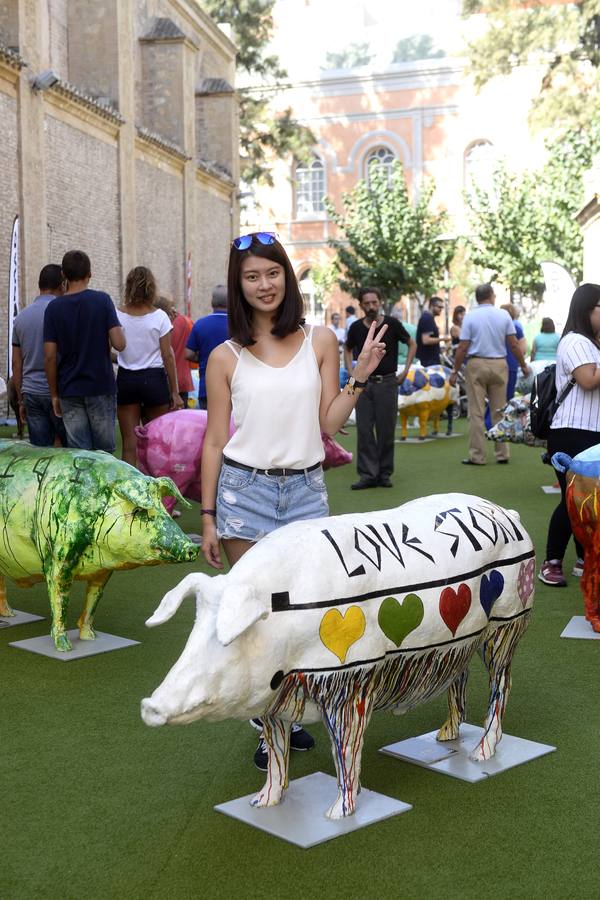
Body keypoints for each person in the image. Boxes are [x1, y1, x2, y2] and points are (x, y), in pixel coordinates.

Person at [200, 232, 387, 770]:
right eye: (252, 276)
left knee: (304, 614)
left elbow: (328, 423)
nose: (265, 285)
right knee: (261, 618)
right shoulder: (224, 356)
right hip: (244, 493)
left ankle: (294, 705)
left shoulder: (320, 341)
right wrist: (208, 517)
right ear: (239, 285)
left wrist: (358, 377)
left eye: (273, 273)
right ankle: (269, 725)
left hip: (305, 491)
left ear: (287, 275)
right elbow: (214, 440)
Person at [539, 284, 600, 587]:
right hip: (572, 431)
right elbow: (588, 380)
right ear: (587, 309)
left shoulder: (591, 343)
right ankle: (551, 561)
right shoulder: (576, 341)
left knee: (588, 500)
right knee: (572, 500)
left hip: (590, 431)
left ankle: (583, 558)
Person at [44, 250, 125, 451]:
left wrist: (54, 394)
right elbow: (120, 344)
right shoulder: (102, 301)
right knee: (104, 455)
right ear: (90, 273)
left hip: (69, 388)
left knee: (79, 455)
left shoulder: (53, 309)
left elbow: (49, 356)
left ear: (63, 274)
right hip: (100, 386)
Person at [449, 284, 530, 465]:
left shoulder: (470, 317)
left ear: (477, 298)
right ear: (492, 296)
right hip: (499, 364)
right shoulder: (503, 315)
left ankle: (477, 456)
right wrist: (523, 365)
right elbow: (514, 344)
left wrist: (454, 370)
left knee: (476, 412)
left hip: (476, 364)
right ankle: (502, 453)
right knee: (499, 410)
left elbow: (462, 347)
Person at [345, 287, 416, 489]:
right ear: (360, 305)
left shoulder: (392, 324)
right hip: (362, 385)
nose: (371, 306)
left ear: (380, 302)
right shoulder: (356, 328)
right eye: (366, 303)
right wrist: (351, 371)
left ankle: (384, 474)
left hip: (387, 383)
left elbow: (412, 344)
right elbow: (348, 349)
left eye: (374, 302)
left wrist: (405, 371)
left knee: (386, 430)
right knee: (364, 430)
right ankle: (368, 475)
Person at [116, 267, 183, 468]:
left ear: (128, 287)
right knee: (158, 441)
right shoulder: (160, 317)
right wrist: (175, 392)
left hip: (126, 380)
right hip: (154, 381)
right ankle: (158, 489)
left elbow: (108, 349)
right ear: (151, 289)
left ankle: (128, 490)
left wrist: (122, 356)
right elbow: (167, 355)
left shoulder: (116, 314)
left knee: (129, 443)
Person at [12, 264, 67, 447]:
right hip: (59, 391)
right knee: (68, 452)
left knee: (40, 455)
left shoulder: (20, 318)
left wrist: (20, 400)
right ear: (62, 285)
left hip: (31, 393)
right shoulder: (63, 313)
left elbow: (16, 363)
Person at [185, 285, 229, 409]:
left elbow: (188, 354)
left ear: (212, 302)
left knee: (210, 426)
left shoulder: (200, 324)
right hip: (234, 387)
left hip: (207, 387)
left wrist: (204, 358)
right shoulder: (238, 325)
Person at [155, 295, 194, 407]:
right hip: (182, 379)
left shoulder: (155, 326)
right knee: (180, 421)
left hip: (163, 380)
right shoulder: (185, 321)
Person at [416, 296, 447, 366]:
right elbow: (426, 340)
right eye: (439, 307)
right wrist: (444, 339)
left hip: (432, 359)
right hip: (428, 361)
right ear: (432, 306)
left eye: (442, 307)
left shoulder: (430, 318)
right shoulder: (427, 319)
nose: (441, 309)